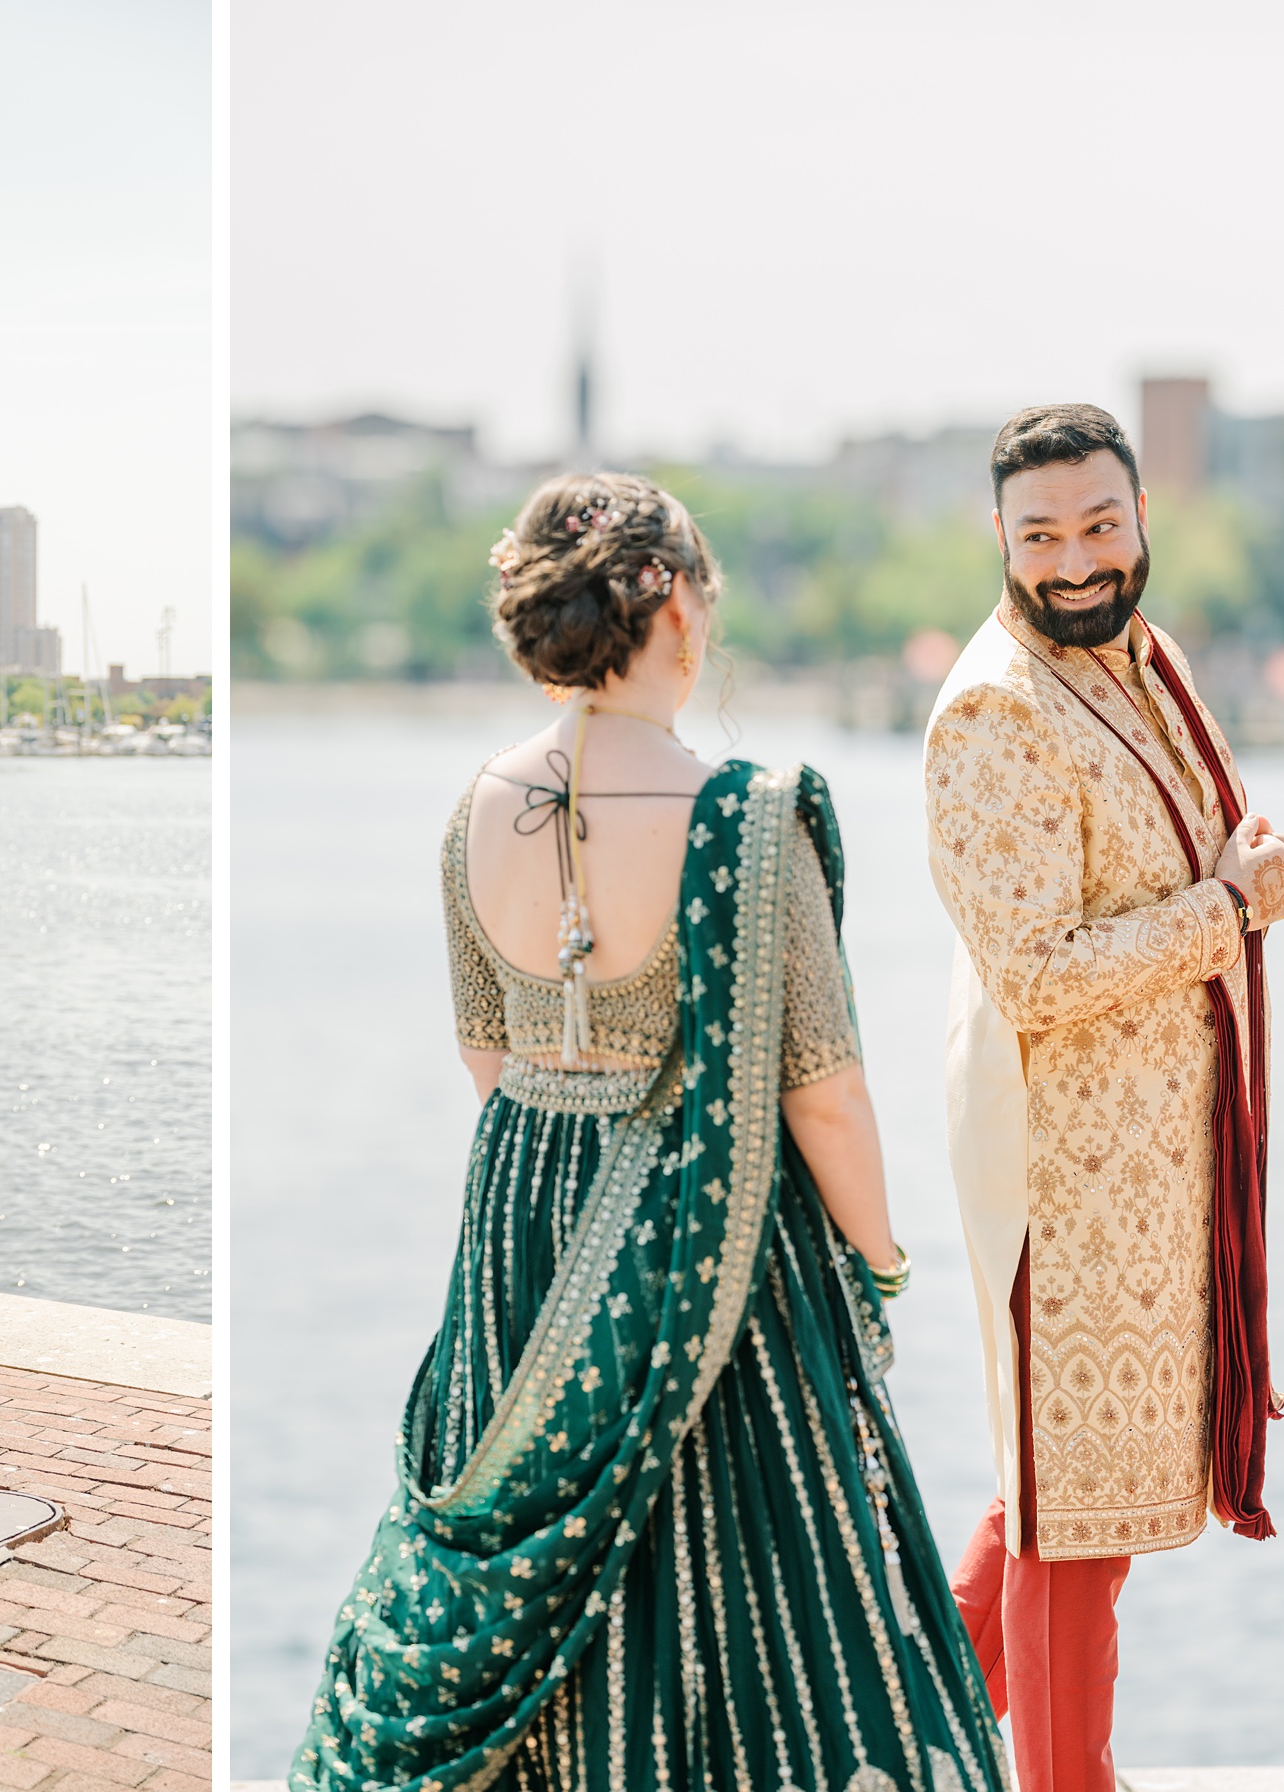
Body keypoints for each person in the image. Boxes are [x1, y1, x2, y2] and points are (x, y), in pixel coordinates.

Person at [293, 474, 1004, 1792]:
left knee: (533, 1566)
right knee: (753, 1577)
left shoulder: (472, 811)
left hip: (518, 1224)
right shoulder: (746, 816)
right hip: (712, 1235)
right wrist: (882, 1263)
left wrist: (567, 1163)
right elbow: (823, 1091)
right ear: (674, 602)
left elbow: (484, 1052)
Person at [923, 406, 1284, 1792]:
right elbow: (1033, 974)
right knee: (1069, 1513)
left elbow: (1181, 855)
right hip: (1062, 1159)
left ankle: (900, 1742)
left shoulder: (1148, 657)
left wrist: (1243, 859)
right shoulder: (991, 710)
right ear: (1002, 541)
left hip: (1162, 1148)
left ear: (1142, 517)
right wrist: (1230, 907)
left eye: (1099, 525)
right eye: (1044, 537)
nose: (1076, 560)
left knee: (1071, 1480)